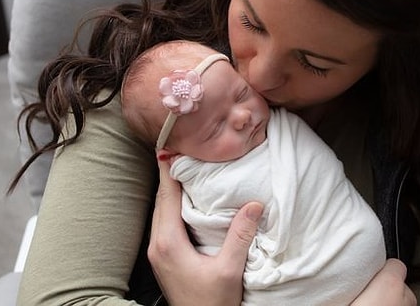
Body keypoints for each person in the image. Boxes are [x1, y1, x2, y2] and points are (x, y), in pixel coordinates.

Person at [10, 0, 420, 305]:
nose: (256, 76)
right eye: (252, 23)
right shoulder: (154, 94)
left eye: (316, 62)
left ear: (391, 60)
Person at [120, 40, 387, 305]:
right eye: (216, 128)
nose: (242, 116)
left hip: (355, 241)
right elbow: (215, 245)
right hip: (295, 288)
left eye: (241, 94)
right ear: (174, 156)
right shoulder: (208, 184)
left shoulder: (283, 126)